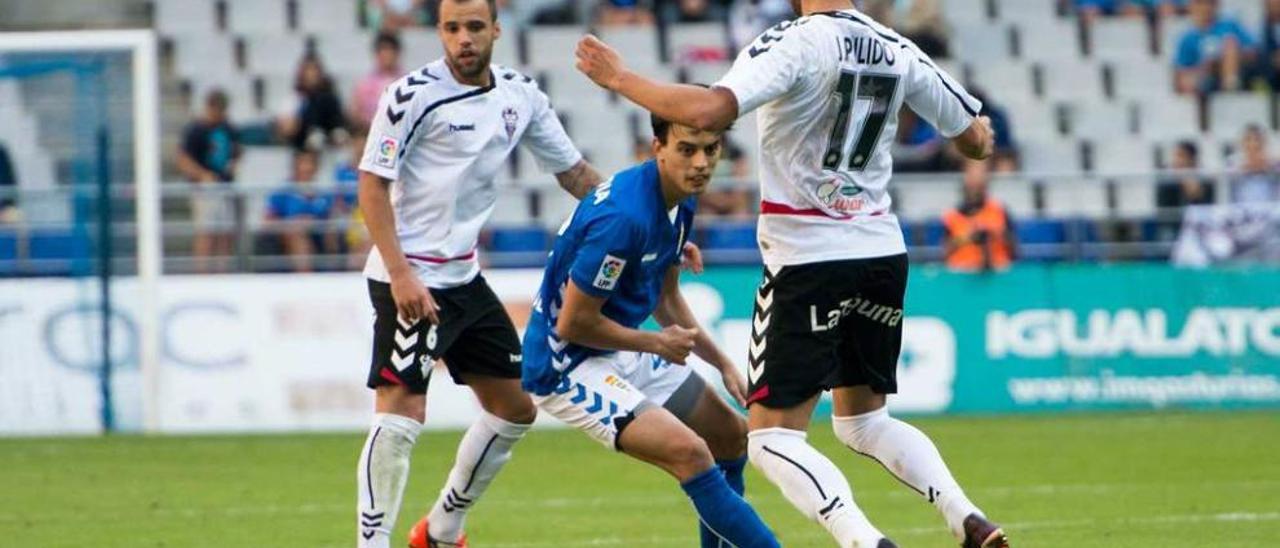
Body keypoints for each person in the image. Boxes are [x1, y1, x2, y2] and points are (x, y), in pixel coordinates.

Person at [575, 0, 1008, 546]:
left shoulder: (796, 41)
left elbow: (711, 112)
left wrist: (619, 77)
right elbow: (973, 139)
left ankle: (863, 540)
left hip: (808, 255)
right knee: (864, 422)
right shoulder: (895, 46)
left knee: (770, 440)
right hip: (880, 251)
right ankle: (967, 517)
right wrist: (982, 133)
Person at [354, 1, 619, 547]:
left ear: (496, 30)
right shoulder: (410, 95)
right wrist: (402, 275)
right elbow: (372, 184)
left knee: (514, 407)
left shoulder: (520, 95)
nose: (464, 39)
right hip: (409, 276)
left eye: (475, 27)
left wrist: (650, 219)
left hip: (463, 276)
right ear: (440, 32)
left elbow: (575, 175)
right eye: (452, 29)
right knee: (402, 412)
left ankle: (443, 528)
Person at [522, 111, 777, 548]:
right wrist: (656, 342)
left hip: (619, 345)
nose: (701, 163)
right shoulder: (625, 219)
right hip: (566, 365)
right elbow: (575, 323)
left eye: (710, 150)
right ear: (657, 147)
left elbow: (665, 297)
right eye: (687, 149)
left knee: (730, 438)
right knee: (692, 453)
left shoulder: (680, 198)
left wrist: (722, 363)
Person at [176, 89, 241, 273]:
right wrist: (202, 174)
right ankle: (202, 273)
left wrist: (233, 165)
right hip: (203, 188)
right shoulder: (196, 130)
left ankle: (222, 272)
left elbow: (236, 152)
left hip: (225, 185)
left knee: (225, 232)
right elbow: (183, 159)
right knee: (206, 232)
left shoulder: (228, 128)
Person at [265, 149, 339, 272]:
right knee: (297, 235)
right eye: (303, 163)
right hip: (288, 238)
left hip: (317, 236)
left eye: (310, 163)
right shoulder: (283, 192)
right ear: (295, 166)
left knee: (333, 236)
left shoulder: (323, 195)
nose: (306, 167)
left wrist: (314, 223)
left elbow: (329, 219)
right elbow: (268, 222)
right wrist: (291, 223)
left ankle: (336, 274)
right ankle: (305, 276)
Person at [942, 159, 1016, 273]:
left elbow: (1014, 247)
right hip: (961, 273)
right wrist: (968, 237)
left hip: (998, 272)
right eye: (972, 173)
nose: (976, 179)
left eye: (981, 172)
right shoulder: (952, 216)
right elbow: (945, 251)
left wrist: (993, 233)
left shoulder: (999, 210)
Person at [1174, 0, 1258, 95]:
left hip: (1235, 71)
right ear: (1192, 6)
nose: (1205, 7)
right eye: (1200, 3)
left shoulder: (1230, 25)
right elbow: (1181, 75)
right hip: (1203, 79)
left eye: (1210, 2)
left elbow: (1253, 52)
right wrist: (1205, 68)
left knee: (1230, 43)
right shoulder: (1187, 38)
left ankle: (1230, 90)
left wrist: (1225, 58)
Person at [277, 55, 348, 151]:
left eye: (315, 70)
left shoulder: (330, 97)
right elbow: (286, 128)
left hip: (329, 134)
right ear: (302, 74)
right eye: (308, 71)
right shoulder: (294, 98)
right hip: (303, 141)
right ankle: (315, 133)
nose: (312, 74)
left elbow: (338, 116)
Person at [1155, 140, 1215, 240]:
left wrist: (1195, 192)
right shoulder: (1167, 181)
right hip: (1174, 226)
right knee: (1167, 235)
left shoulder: (1205, 180)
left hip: (1198, 226)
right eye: (1175, 156)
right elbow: (1164, 213)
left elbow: (1208, 210)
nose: (1176, 161)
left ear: (1192, 159)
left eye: (1181, 156)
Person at [351, 33, 406, 130]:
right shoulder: (365, 84)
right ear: (376, 54)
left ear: (397, 53)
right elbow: (356, 113)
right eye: (383, 50)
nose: (387, 54)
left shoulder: (407, 82)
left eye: (390, 50)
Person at [1231, 125, 1280, 203]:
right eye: (1248, 140)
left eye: (1257, 140)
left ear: (1264, 143)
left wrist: (1268, 166)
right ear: (1242, 143)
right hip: (1241, 211)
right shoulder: (1233, 164)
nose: (1253, 144)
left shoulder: (1274, 164)